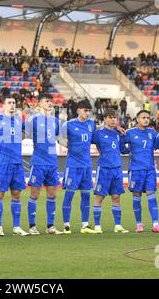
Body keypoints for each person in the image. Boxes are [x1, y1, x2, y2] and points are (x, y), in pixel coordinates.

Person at [0, 95, 29, 236]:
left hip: (17, 163)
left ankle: (16, 227)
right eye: (9, 102)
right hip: (2, 163)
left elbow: (27, 133)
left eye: (13, 102)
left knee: (17, 194)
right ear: (3, 105)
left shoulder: (20, 122)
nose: (12, 105)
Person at [58, 100, 98, 234]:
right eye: (85, 110)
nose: (87, 113)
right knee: (69, 195)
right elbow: (61, 139)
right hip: (73, 165)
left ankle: (85, 226)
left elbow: (95, 139)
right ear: (78, 110)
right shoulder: (68, 124)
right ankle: (66, 225)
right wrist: (70, 146)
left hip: (86, 166)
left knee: (86, 195)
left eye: (88, 111)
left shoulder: (91, 125)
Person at [122, 110, 159, 233]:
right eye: (143, 117)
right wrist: (127, 151)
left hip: (150, 169)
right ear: (137, 119)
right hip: (135, 170)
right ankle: (139, 224)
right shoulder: (129, 133)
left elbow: (158, 145)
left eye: (147, 117)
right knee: (137, 196)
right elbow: (120, 144)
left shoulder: (152, 133)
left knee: (151, 195)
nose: (146, 119)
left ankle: (155, 224)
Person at [26, 93, 63, 235]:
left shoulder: (55, 121)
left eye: (50, 101)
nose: (50, 103)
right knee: (35, 193)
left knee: (52, 194)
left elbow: (58, 138)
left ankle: (50, 226)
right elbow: (24, 135)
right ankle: (32, 226)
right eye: (46, 101)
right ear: (39, 104)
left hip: (52, 162)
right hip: (39, 162)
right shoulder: (33, 120)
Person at [91, 109, 129, 233]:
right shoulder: (98, 133)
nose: (113, 120)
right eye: (110, 117)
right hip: (104, 169)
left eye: (115, 117)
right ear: (105, 119)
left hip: (117, 169)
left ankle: (118, 225)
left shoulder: (119, 134)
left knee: (116, 197)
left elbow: (123, 150)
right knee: (100, 197)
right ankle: (97, 226)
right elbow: (86, 142)